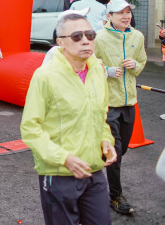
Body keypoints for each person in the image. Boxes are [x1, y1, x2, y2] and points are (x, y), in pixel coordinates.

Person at [20, 12, 117, 225]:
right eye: (76, 36)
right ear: (60, 42)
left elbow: (100, 115)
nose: (85, 41)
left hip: (94, 169)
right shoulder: (45, 76)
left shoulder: (97, 70)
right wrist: (63, 158)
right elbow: (30, 128)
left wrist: (106, 140)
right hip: (59, 173)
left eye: (90, 35)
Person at [93, 0, 147, 215]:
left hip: (129, 102)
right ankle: (115, 196)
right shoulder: (99, 38)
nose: (126, 16)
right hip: (108, 104)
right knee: (115, 151)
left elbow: (141, 62)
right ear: (109, 16)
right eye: (121, 13)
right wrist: (106, 71)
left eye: (128, 12)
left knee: (121, 149)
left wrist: (135, 65)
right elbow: (87, 66)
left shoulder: (137, 36)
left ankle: (94, 166)